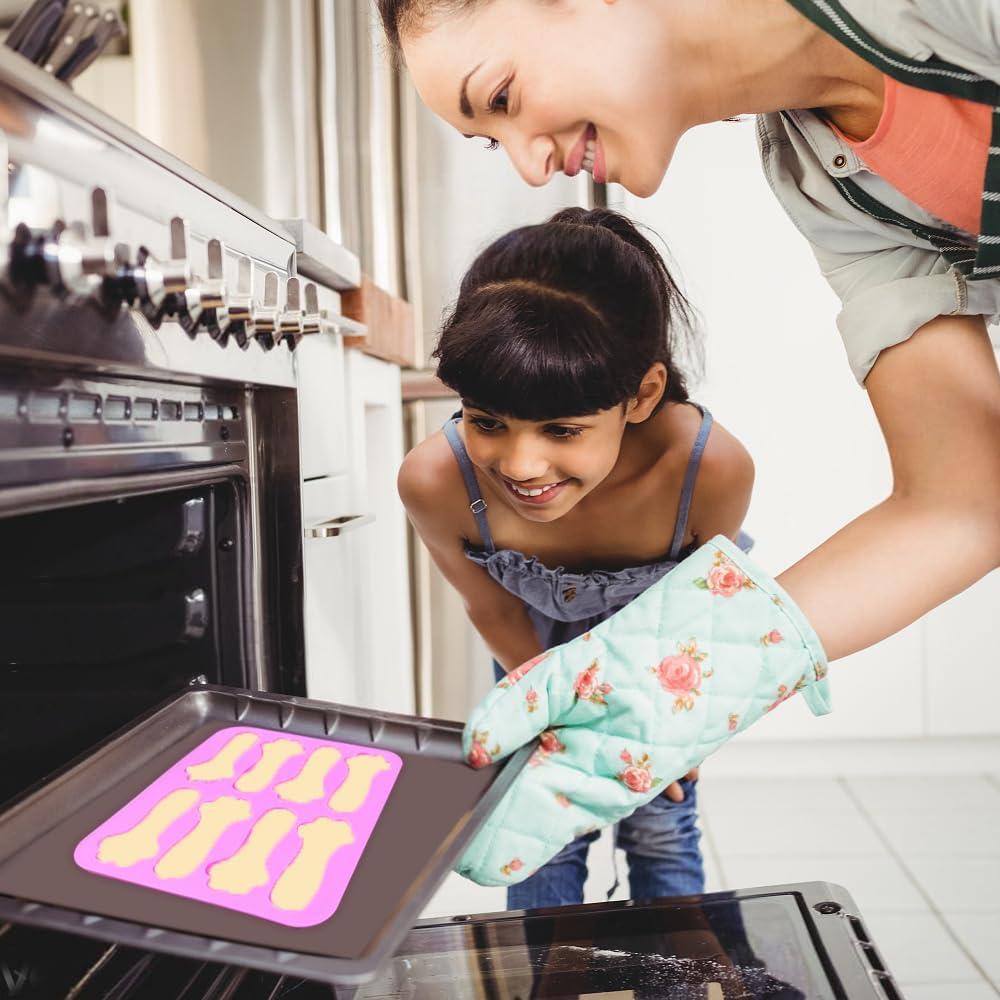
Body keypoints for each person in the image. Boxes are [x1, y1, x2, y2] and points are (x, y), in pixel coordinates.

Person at [379, 0, 1000, 886]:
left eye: (504, 95)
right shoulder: (823, 183)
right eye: (489, 140)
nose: (528, 164)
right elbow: (962, 504)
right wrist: (685, 686)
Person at [398, 207, 755, 907]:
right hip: (532, 658)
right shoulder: (435, 481)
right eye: (487, 420)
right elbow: (491, 604)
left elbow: (705, 613)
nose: (522, 464)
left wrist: (673, 730)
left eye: (562, 428)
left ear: (642, 395)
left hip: (662, 670)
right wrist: (551, 717)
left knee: (661, 827)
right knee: (536, 836)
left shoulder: (707, 469)